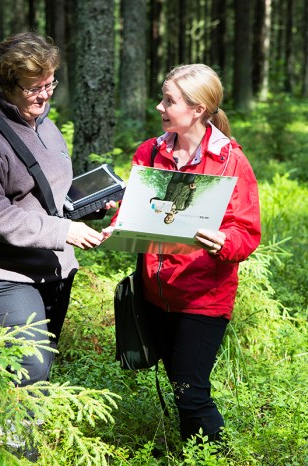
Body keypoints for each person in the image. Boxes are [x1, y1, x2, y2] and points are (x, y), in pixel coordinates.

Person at [103, 64, 261, 445]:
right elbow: (143, 212)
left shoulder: (229, 161)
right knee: (180, 389)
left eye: (168, 101)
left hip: (202, 299)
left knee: (192, 394)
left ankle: (216, 456)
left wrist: (223, 242)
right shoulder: (151, 151)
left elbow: (247, 231)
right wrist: (118, 218)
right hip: (155, 295)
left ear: (198, 109)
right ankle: (191, 453)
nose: (159, 107)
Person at [0, 32, 106, 388]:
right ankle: (15, 446)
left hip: (52, 270)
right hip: (1, 274)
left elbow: (48, 197)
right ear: (8, 84)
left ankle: (31, 441)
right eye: (33, 88)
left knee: (42, 368)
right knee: (27, 366)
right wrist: (63, 232)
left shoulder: (46, 126)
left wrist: (87, 207)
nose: (45, 94)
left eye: (50, 83)